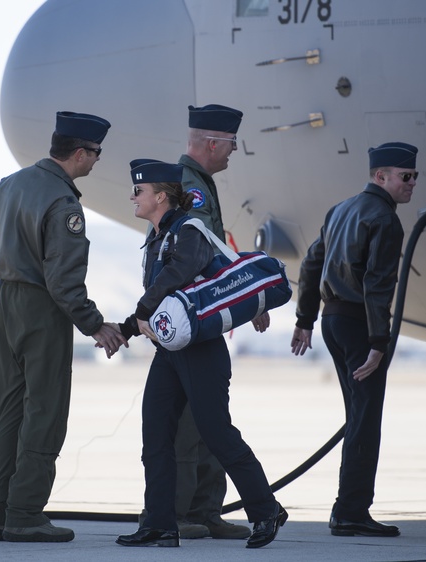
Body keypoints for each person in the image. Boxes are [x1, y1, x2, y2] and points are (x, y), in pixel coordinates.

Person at [0, 111, 127, 544]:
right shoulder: (63, 203)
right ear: (79, 153)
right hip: (43, 308)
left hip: (8, 303)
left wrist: (8, 269)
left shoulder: (10, 184)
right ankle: (25, 514)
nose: (96, 162)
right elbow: (64, 281)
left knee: (5, 412)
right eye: (95, 154)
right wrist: (96, 325)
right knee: (45, 412)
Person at [115, 159, 287, 549]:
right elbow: (162, 300)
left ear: (160, 196)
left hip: (202, 353)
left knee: (216, 432)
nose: (132, 197)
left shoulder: (188, 232)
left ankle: (265, 510)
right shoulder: (158, 236)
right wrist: (126, 329)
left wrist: (140, 313)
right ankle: (160, 523)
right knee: (155, 432)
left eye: (138, 191)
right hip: (171, 352)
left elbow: (177, 275)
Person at [291, 142, 419, 539]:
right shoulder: (385, 218)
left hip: (333, 322)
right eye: (404, 176)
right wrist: (379, 342)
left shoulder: (341, 209)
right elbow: (378, 285)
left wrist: (306, 318)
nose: (411, 184)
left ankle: (349, 508)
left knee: (357, 416)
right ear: (380, 176)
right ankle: (350, 511)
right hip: (360, 326)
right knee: (365, 421)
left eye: (414, 177)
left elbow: (312, 263)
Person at [160, 103, 262, 540]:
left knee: (210, 416)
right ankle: (184, 512)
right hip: (192, 316)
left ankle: (205, 510)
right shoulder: (190, 187)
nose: (233, 153)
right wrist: (245, 296)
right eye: (231, 145)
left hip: (203, 314)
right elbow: (198, 254)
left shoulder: (200, 183)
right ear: (212, 143)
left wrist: (245, 299)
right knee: (189, 422)